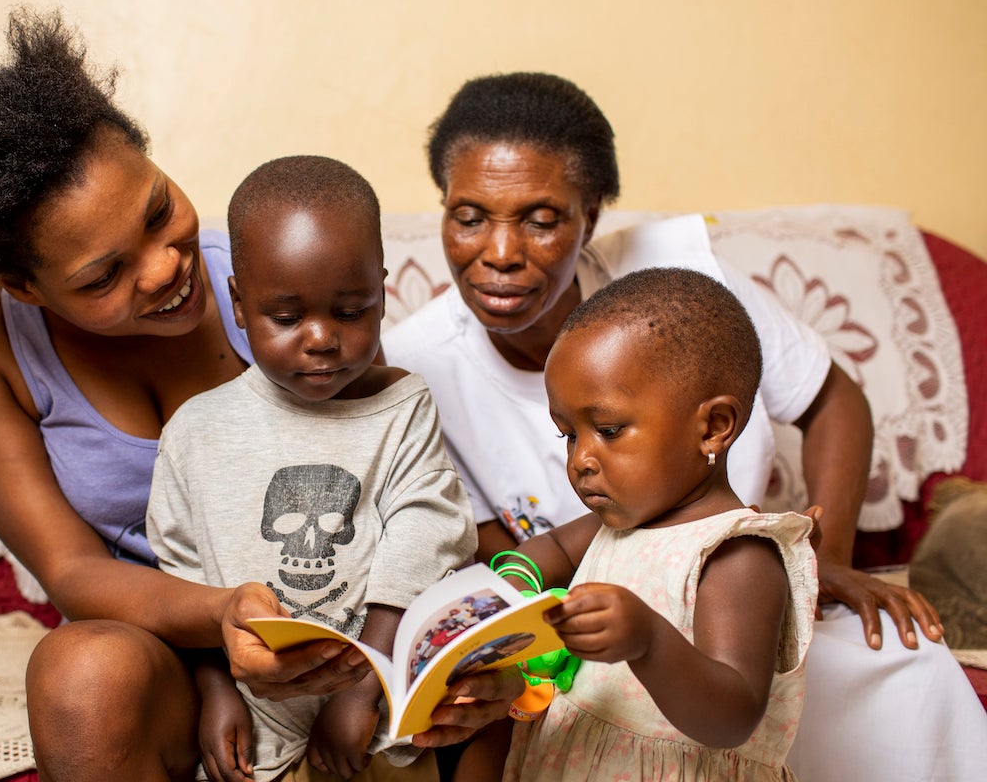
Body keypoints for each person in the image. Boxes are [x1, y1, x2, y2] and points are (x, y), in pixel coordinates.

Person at [0, 11, 518, 781]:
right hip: (174, 645)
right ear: (23, 287)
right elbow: (72, 573)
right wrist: (217, 639)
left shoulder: (278, 280)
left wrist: (390, 653)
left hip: (357, 625)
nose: (166, 268)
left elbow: (397, 475)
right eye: (103, 277)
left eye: (159, 211)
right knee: (80, 674)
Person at [382, 71, 987, 781]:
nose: (501, 252)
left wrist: (820, 563)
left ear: (592, 215)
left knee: (906, 670)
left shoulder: (678, 289)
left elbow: (834, 402)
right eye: (470, 215)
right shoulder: (417, 368)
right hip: (585, 640)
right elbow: (510, 565)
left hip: (729, 620)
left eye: (542, 219)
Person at [145, 155, 477, 781]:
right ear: (239, 304)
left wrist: (363, 691)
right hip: (260, 735)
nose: (321, 338)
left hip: (379, 729)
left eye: (351, 312)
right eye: (288, 317)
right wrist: (215, 690)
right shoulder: (196, 430)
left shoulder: (402, 407)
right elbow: (183, 576)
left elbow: (426, 543)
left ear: (380, 291)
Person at [502, 266, 817, 780]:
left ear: (714, 427)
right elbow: (549, 552)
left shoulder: (737, 555)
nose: (581, 458)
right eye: (568, 435)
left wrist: (649, 641)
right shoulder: (616, 523)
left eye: (607, 429)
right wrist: (509, 592)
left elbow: (732, 716)